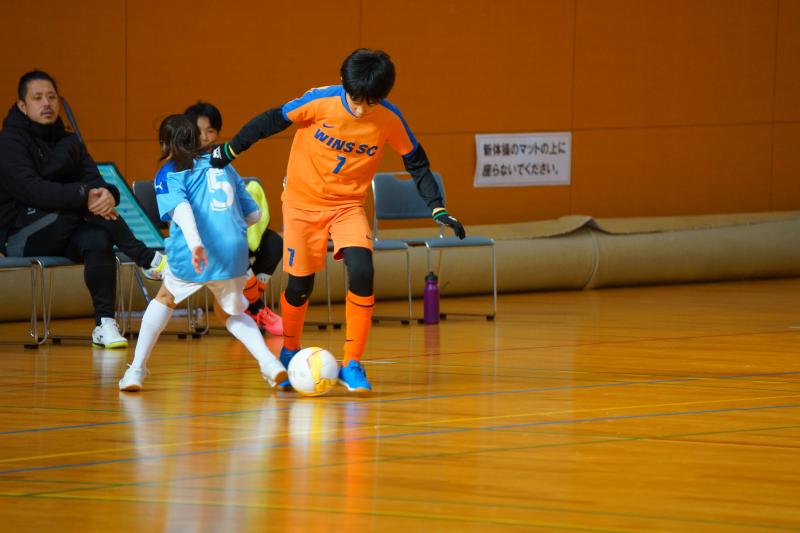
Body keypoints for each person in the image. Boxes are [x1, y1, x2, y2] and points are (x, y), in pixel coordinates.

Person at [211, 48, 466, 393]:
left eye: (370, 103)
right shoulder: (321, 101)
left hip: (348, 206)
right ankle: (289, 351)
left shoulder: (389, 118)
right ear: (344, 84)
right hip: (302, 206)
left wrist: (437, 206)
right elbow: (271, 120)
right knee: (300, 286)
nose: (361, 110)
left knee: (363, 271)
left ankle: (353, 364)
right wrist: (229, 150)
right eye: (356, 100)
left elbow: (416, 161)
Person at [118, 115, 287, 391]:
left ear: (164, 144)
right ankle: (270, 362)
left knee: (165, 298)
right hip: (234, 252)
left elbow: (182, 211)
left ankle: (136, 370)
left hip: (193, 253)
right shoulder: (224, 166)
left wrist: (197, 243)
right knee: (232, 313)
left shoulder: (170, 172)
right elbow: (254, 214)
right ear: (196, 139)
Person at [0, 70, 166, 349]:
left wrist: (108, 195)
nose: (47, 104)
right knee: (86, 209)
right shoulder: (9, 143)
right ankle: (146, 258)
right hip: (20, 236)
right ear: (22, 105)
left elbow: (96, 182)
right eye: (37, 98)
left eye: (52, 97)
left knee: (97, 238)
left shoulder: (69, 142)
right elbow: (32, 190)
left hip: (64, 228)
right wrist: (84, 196)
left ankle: (105, 324)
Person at [183, 101, 283, 335]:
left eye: (210, 131)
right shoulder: (182, 167)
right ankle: (255, 307)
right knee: (232, 246)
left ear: (218, 133)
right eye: (198, 131)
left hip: (231, 232)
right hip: (202, 239)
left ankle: (249, 302)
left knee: (274, 243)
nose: (204, 137)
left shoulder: (225, 164)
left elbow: (246, 206)